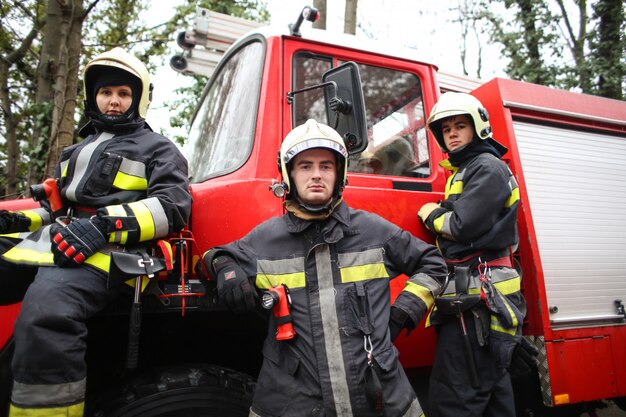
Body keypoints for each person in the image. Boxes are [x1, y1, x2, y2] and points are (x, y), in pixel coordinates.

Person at [201, 119, 448, 417]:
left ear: (339, 174)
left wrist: (402, 313)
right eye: (305, 166)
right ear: (289, 174)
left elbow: (433, 264)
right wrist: (224, 267)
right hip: (293, 399)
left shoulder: (372, 230)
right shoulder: (266, 239)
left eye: (326, 166)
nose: (316, 175)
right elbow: (214, 256)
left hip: (380, 394)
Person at [0, 47, 192, 417]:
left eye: (123, 93)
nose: (114, 101)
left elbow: (172, 209)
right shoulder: (76, 150)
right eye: (106, 93)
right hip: (63, 243)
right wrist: (19, 222)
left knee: (46, 313)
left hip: (118, 255)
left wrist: (105, 227)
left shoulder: (160, 148)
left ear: (138, 99)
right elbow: (60, 210)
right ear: (94, 97)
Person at [417, 92, 526, 417]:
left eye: (460, 126)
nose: (451, 133)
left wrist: (430, 213)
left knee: (456, 400)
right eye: (445, 128)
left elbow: (462, 225)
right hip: (479, 303)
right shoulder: (468, 169)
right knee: (493, 398)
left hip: (477, 304)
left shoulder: (486, 167)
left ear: (478, 128)